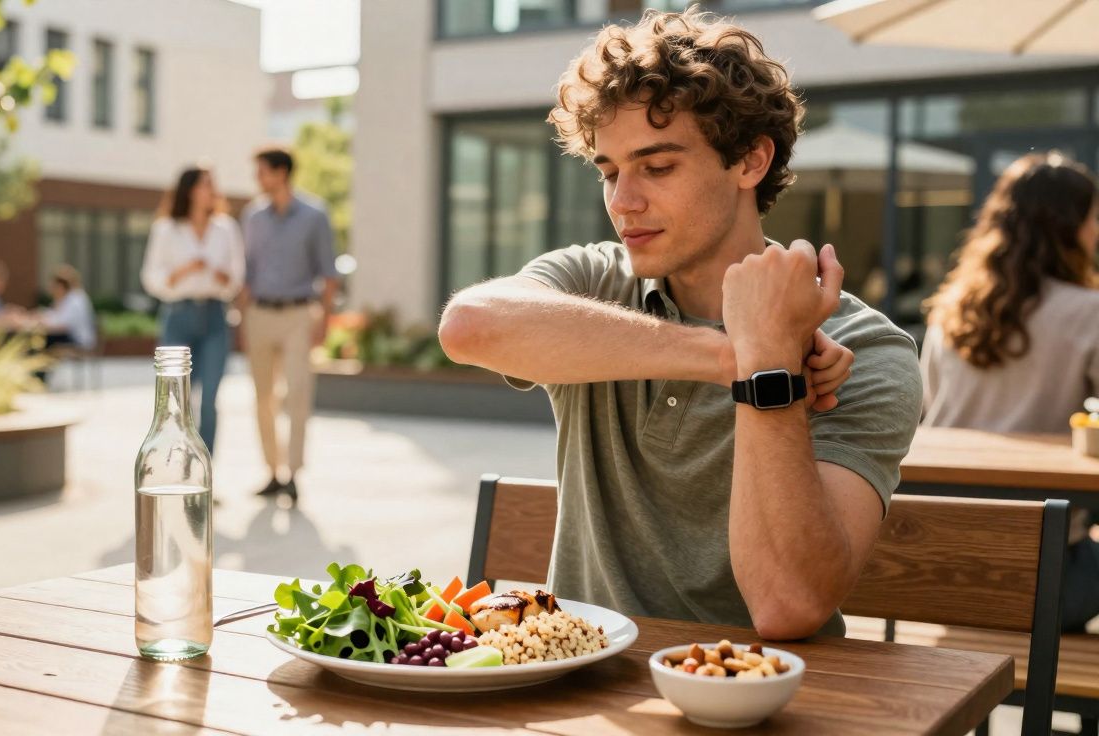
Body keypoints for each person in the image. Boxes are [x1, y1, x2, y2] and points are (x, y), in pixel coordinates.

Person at [437, 8, 923, 640]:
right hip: (584, 684)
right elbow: (468, 326)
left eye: (657, 167)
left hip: (765, 696)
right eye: (609, 172)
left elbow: (789, 604)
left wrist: (770, 374)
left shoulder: (867, 349)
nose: (622, 201)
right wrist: (743, 356)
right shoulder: (594, 283)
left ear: (750, 161)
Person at [922, 151, 1099, 633]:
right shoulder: (1089, 312)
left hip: (935, 568)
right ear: (1072, 225)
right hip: (1042, 578)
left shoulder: (948, 311)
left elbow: (924, 416)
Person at [240, 147, 339, 504]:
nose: (257, 179)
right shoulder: (252, 217)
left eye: (262, 172)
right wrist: (242, 317)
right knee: (262, 397)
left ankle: (293, 474)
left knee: (297, 393)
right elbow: (247, 273)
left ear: (281, 173)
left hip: (299, 314)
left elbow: (329, 273)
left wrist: (324, 322)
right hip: (259, 316)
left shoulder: (315, 215)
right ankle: (272, 471)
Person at [141, 166, 246, 457]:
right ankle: (179, 467)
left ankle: (205, 473)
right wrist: (184, 271)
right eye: (205, 185)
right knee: (176, 400)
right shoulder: (166, 228)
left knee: (209, 398)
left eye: (213, 185)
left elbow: (237, 277)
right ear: (189, 190)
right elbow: (151, 277)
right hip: (178, 316)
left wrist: (222, 277)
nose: (212, 191)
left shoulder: (226, 228)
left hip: (215, 316)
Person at [36, 264, 96, 350]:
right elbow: (54, 315)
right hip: (72, 336)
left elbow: (64, 325)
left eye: (54, 285)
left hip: (78, 340)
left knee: (41, 341)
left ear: (60, 285)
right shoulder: (67, 298)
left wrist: (41, 323)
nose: (51, 289)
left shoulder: (76, 299)